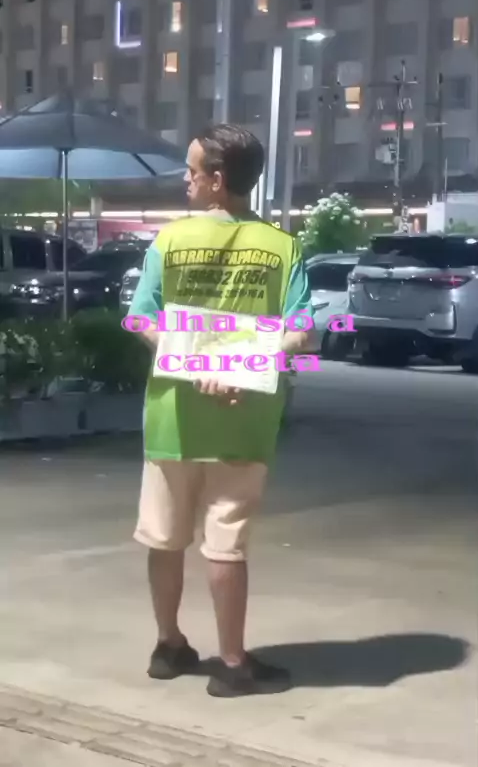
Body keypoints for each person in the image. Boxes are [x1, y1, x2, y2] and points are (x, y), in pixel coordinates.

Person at [127, 124, 314, 698]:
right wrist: (236, 367)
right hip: (244, 419)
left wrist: (194, 364)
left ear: (217, 179)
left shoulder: (169, 241)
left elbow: (141, 318)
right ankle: (232, 664)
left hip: (173, 417)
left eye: (192, 171)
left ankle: (168, 646)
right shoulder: (282, 247)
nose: (185, 180)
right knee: (225, 542)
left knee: (165, 537)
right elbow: (301, 333)